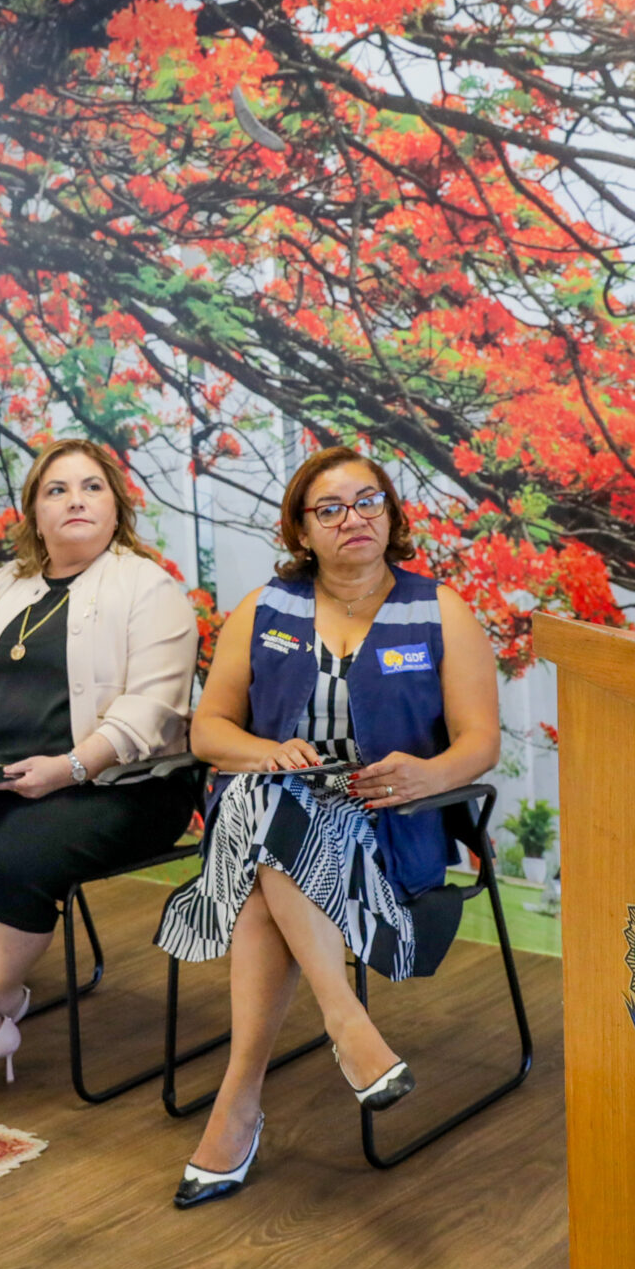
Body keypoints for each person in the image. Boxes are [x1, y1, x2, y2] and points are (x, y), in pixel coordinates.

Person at [154, 448, 500, 1206]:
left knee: (258, 859)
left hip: (387, 825)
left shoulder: (440, 610)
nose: (355, 518)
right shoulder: (263, 609)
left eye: (368, 500)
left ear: (392, 514)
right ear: (302, 531)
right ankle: (345, 1026)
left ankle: (239, 1101)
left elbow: (481, 742)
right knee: (270, 801)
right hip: (275, 812)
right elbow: (210, 730)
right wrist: (269, 751)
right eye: (332, 508)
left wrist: (430, 773)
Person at [0, 439, 201, 1100]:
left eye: (92, 487)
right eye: (57, 490)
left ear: (117, 506)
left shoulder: (151, 588)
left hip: (122, 787)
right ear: (33, 510)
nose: (75, 500)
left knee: (12, 858)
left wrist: (70, 766)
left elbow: (149, 712)